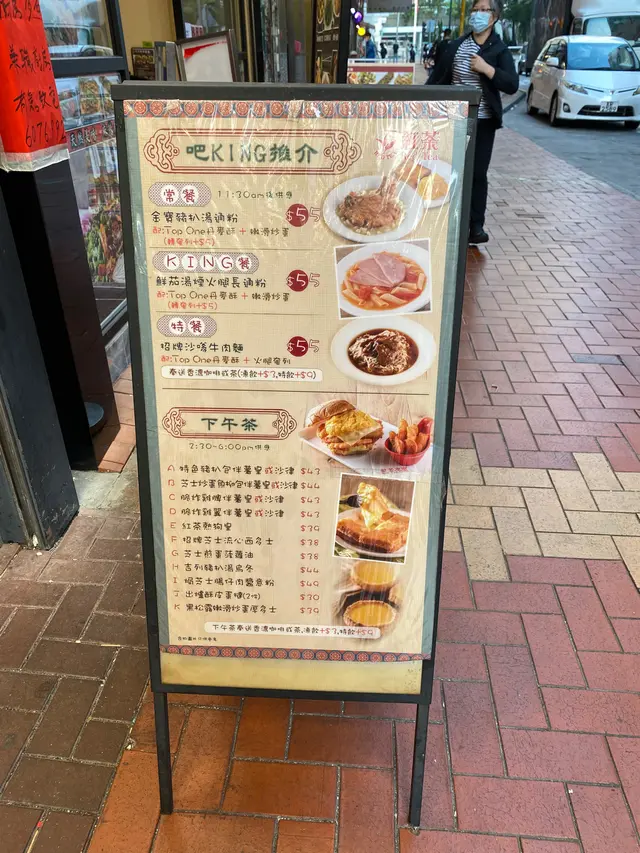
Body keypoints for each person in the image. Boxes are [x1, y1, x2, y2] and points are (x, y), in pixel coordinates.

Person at [427, 0, 518, 244]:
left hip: (483, 122)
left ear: (494, 16)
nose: (478, 14)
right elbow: (437, 80)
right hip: (453, 120)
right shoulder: (455, 46)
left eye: (484, 10)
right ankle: (447, 221)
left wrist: (487, 69)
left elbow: (512, 84)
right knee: (451, 169)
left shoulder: (499, 50)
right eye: (475, 9)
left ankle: (475, 226)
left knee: (477, 173)